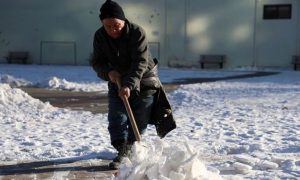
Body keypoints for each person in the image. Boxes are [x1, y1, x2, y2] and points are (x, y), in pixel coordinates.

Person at [90, 0, 162, 169]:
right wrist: (108, 73)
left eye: (116, 25)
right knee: (117, 117)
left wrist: (128, 85)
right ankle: (123, 152)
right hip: (116, 79)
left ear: (123, 21)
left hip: (144, 80)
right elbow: (97, 62)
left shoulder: (137, 32)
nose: (112, 30)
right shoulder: (100, 36)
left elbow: (140, 62)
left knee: (138, 120)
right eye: (108, 26)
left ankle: (133, 151)